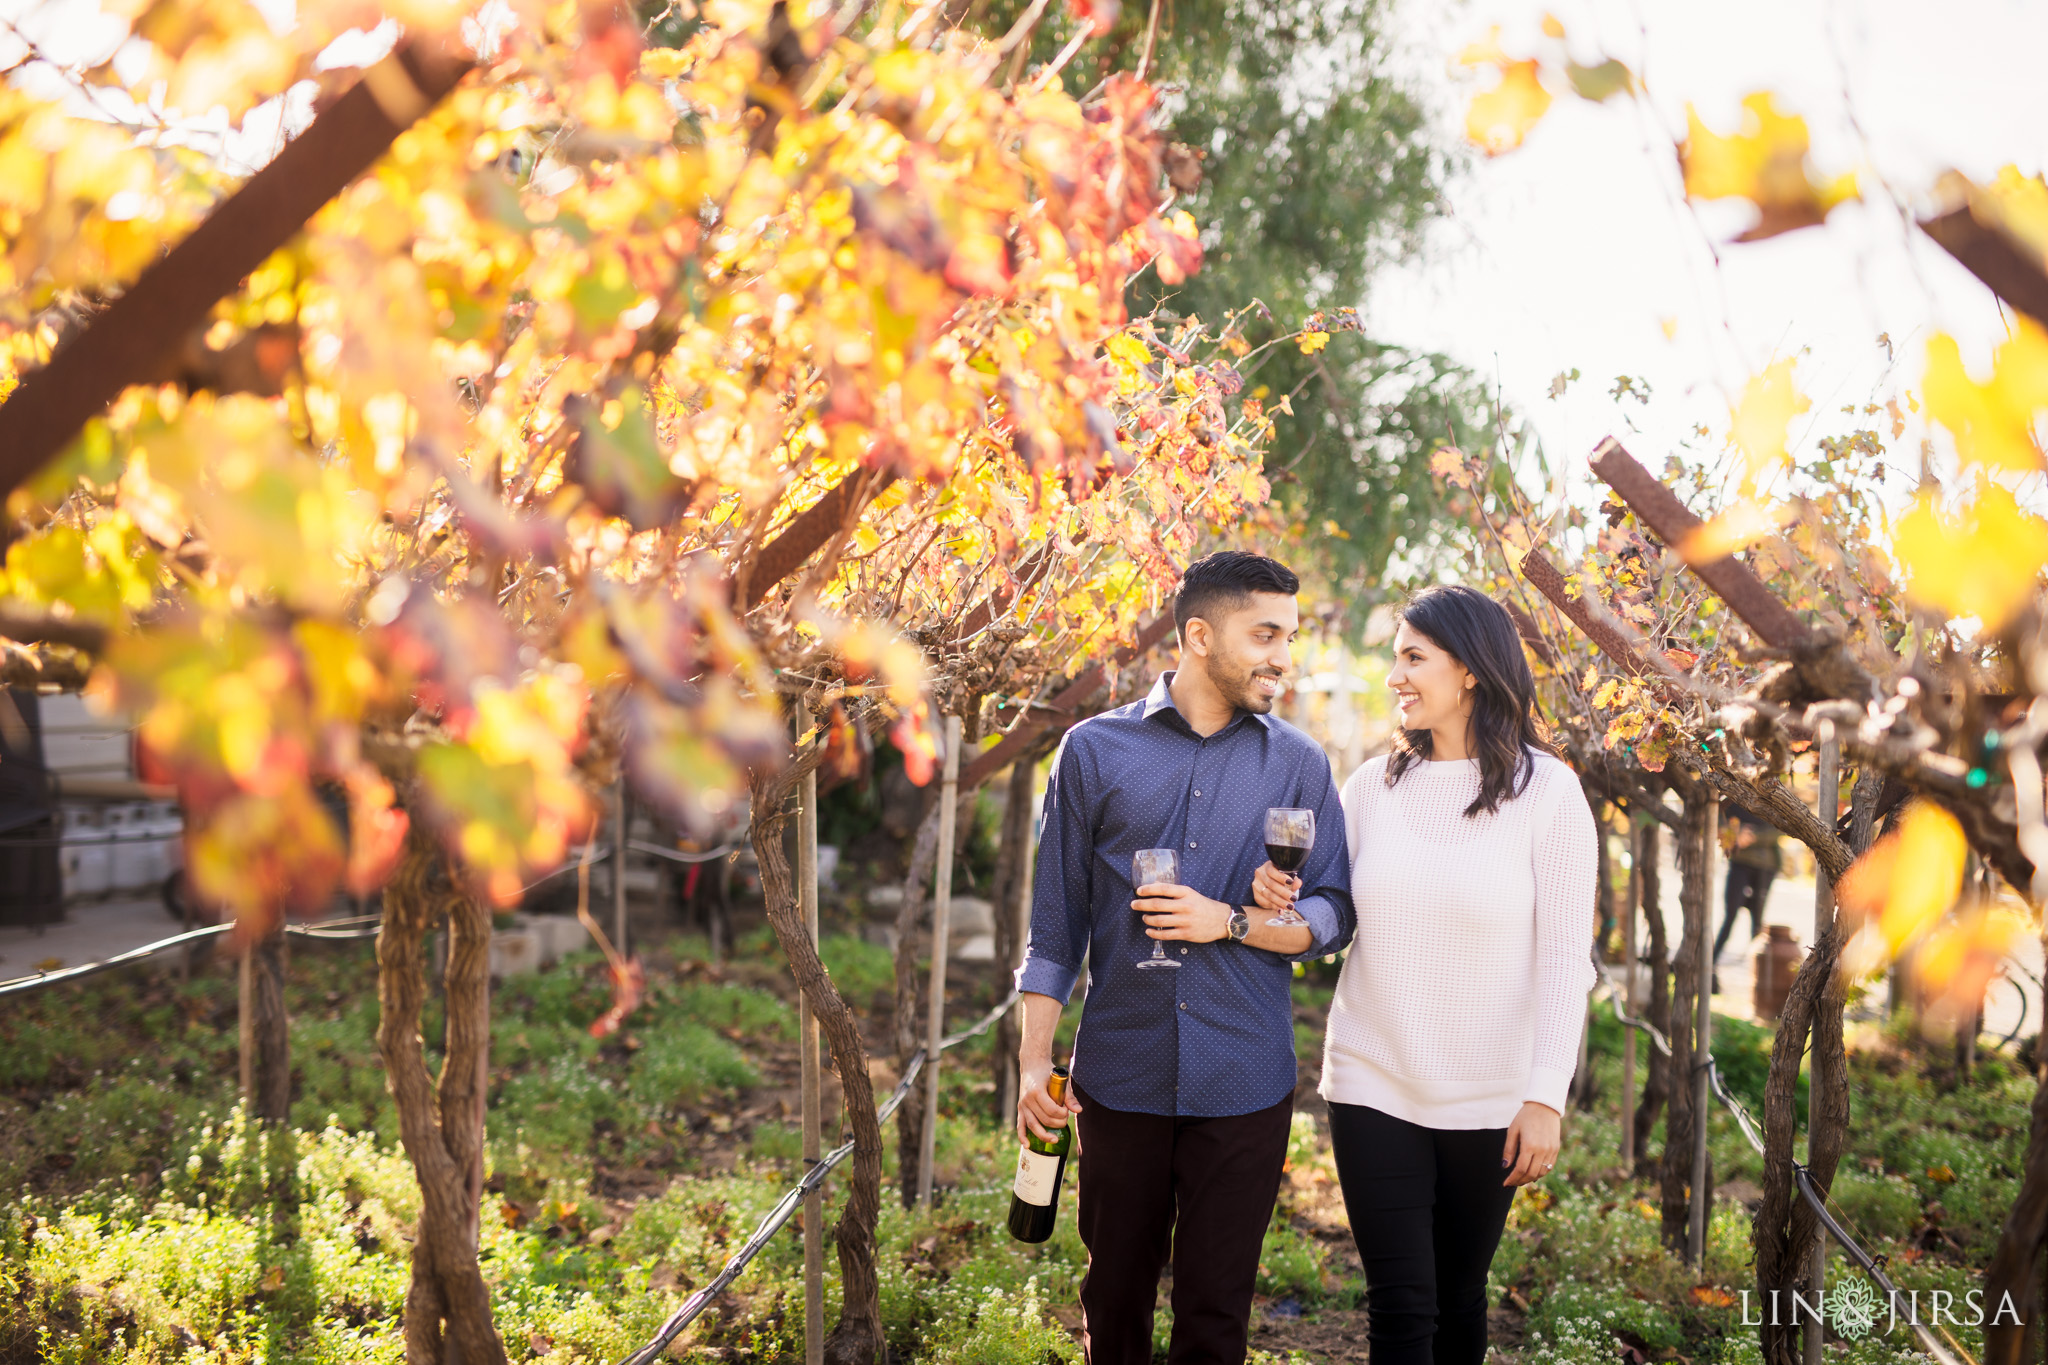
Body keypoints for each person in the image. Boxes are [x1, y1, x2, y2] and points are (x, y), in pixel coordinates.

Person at [1014, 549, 1356, 1365]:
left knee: (1216, 1316)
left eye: (1289, 635)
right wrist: (1034, 1062)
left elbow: (1335, 910)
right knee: (1114, 1299)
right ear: (1200, 635)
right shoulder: (1093, 752)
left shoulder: (1300, 763)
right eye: (1265, 633)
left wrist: (1232, 921)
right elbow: (1055, 924)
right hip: (1121, 1071)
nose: (1283, 655)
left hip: (1245, 1078)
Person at [1255, 584, 1597, 1365]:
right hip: (1374, 1079)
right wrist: (1278, 901)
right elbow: (1331, 917)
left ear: (1471, 670)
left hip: (1491, 1096)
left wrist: (1545, 1095)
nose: (1395, 676)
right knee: (1402, 1306)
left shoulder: (1549, 793)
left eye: (1414, 657)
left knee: (1457, 1296)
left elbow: (1563, 958)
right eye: (1395, 658)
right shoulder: (1371, 787)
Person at [1713, 803, 1781, 984]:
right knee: (1730, 916)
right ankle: (1710, 966)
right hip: (1739, 863)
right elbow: (1718, 820)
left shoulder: (1771, 791)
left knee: (1757, 919)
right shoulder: (1732, 796)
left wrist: (1753, 837)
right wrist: (1737, 835)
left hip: (1765, 866)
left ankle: (1759, 978)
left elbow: (1781, 827)